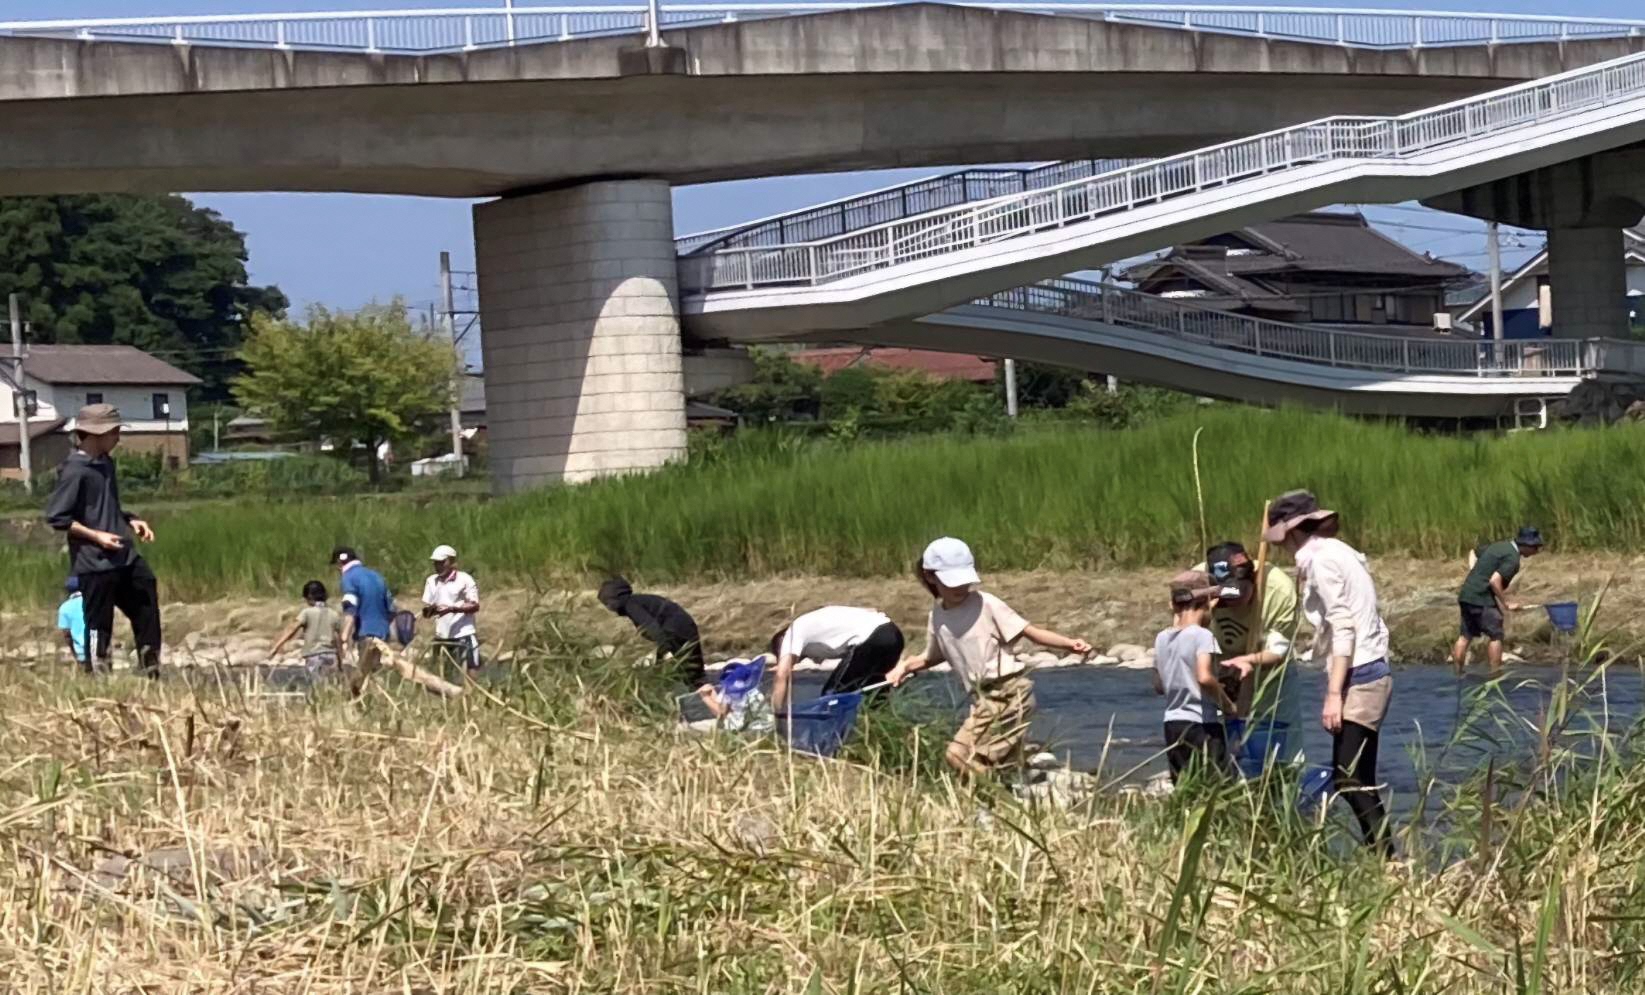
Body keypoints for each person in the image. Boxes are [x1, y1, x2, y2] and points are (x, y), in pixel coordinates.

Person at [884, 537, 1092, 777]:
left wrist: (1069, 644)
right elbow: (932, 657)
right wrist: (904, 667)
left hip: (1010, 694)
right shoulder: (938, 616)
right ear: (931, 577)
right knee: (981, 762)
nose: (961, 588)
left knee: (957, 755)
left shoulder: (986, 604)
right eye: (953, 583)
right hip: (982, 701)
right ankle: (1000, 797)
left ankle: (999, 799)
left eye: (964, 581)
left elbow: (1031, 632)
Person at [1264, 490, 1394, 856]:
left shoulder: (1321, 560)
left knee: (1349, 778)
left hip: (1361, 672)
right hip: (1370, 666)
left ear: (1290, 531)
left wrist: (1334, 694)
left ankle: (1388, 858)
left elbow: (1343, 626)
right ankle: (1385, 859)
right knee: (1357, 778)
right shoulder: (1338, 551)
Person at [43, 404, 161, 676]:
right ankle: (98, 679)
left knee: (147, 601)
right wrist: (96, 536)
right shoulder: (74, 469)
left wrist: (130, 519)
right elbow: (57, 517)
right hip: (95, 563)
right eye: (115, 431)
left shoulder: (106, 463)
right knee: (99, 626)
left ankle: (150, 672)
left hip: (124, 556)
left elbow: (105, 505)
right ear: (98, 434)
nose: (118, 437)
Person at [1185, 540, 1302, 770]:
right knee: (1216, 741)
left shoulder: (1278, 590)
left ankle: (1280, 789)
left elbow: (1278, 650)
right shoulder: (1197, 582)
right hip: (1215, 663)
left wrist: (1248, 661)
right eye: (1225, 595)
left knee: (1273, 744)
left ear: (1253, 578)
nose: (1232, 601)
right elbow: (1181, 623)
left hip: (1266, 668)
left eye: (1239, 593)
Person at [334, 546, 461, 699]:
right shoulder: (376, 577)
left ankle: (449, 690)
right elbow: (391, 609)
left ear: (339, 563)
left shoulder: (349, 578)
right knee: (395, 669)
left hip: (367, 636)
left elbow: (350, 608)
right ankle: (448, 689)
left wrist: (344, 636)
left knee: (361, 678)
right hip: (383, 634)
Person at [1153, 584, 1243, 783]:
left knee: (1184, 786)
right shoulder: (1203, 635)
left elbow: (1159, 685)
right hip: (1202, 725)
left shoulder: (1161, 638)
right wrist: (1228, 706)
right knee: (1214, 786)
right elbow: (1204, 677)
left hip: (1172, 723)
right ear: (1209, 604)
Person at [768, 606, 904, 713]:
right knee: (873, 695)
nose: (816, 661)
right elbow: (872, 611)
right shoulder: (816, 621)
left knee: (832, 698)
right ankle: (878, 739)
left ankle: (832, 744)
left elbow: (782, 675)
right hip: (894, 636)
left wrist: (777, 715)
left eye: (804, 656)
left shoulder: (792, 634)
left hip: (874, 639)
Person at [1451, 526, 1545, 673]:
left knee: (1464, 637)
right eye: (1535, 547)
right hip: (1482, 598)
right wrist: (1506, 603)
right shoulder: (1513, 559)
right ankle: (1495, 675)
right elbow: (1495, 581)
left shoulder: (1499, 546)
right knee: (1496, 635)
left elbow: (1474, 552)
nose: (1536, 552)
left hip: (1466, 594)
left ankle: (1457, 674)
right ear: (1526, 545)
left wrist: (1475, 572)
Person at [597, 577, 706, 687]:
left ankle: (696, 693)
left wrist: (665, 651)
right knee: (694, 671)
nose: (608, 608)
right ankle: (703, 690)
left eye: (607, 604)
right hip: (686, 626)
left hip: (676, 630)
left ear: (614, 600)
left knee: (688, 674)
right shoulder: (639, 601)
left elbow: (652, 627)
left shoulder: (631, 605)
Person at [422, 544, 482, 674]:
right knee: (442, 671)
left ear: (452, 561)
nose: (438, 566)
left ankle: (471, 693)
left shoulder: (464, 579)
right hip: (442, 635)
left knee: (471, 669)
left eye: (442, 562)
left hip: (463, 634)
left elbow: (474, 605)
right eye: (436, 563)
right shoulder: (431, 581)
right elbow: (427, 611)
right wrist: (431, 610)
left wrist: (452, 609)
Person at [269, 580, 344, 676]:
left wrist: (276, 647)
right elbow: (338, 639)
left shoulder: (307, 613)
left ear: (309, 597)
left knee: (316, 686)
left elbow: (292, 629)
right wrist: (341, 660)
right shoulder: (334, 614)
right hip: (331, 655)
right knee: (330, 686)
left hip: (314, 655)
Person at [56, 576, 87, 668]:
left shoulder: (64, 608)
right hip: (101, 649)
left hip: (82, 653)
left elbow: (67, 635)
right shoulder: (93, 601)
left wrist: (74, 653)